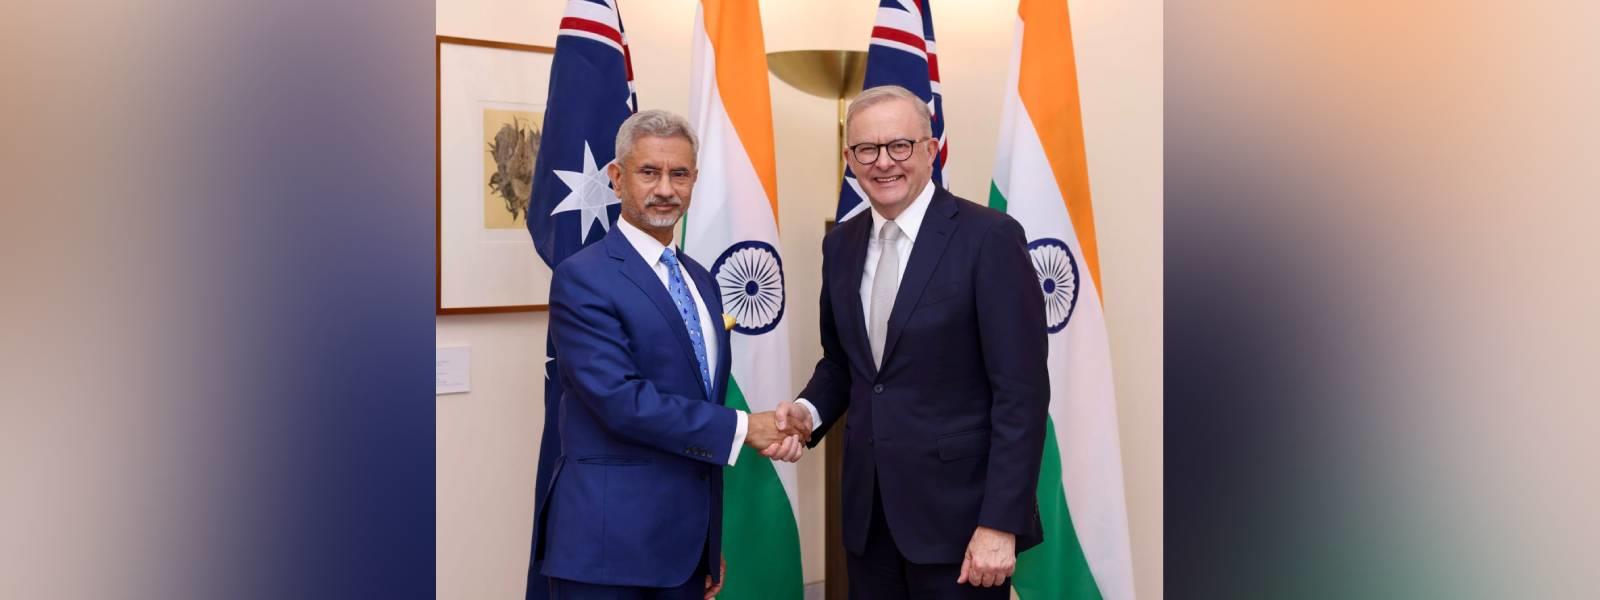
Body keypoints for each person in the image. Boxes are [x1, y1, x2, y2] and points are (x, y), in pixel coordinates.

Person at [778, 85, 1051, 599]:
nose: (884, 163)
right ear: (849, 160)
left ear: (931, 149)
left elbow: (1022, 394)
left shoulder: (988, 237)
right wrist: (807, 412)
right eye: (867, 150)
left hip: (961, 526)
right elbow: (844, 363)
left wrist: (1000, 523)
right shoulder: (839, 244)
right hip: (867, 521)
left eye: (899, 146)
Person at [532, 109, 807, 600]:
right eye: (649, 172)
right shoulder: (583, 277)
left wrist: (704, 545)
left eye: (679, 174)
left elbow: (697, 396)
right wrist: (747, 428)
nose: (665, 189)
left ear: (695, 180)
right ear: (617, 178)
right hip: (606, 553)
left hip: (682, 553)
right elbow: (621, 401)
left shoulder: (701, 280)